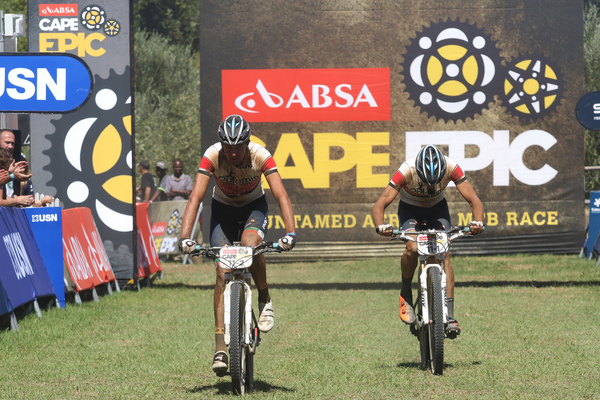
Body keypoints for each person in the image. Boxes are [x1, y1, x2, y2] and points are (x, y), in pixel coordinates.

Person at [178, 114, 297, 374]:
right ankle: (220, 347)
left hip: (253, 207)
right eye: (228, 147)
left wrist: (290, 232)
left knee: (250, 244)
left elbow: (280, 194)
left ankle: (264, 298)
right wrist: (185, 236)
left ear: (247, 143)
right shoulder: (212, 155)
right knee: (222, 270)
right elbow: (195, 198)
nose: (232, 152)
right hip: (222, 210)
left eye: (238, 146)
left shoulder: (260, 154)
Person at [372, 144, 484, 339]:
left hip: (437, 209)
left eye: (436, 182)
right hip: (410, 209)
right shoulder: (406, 170)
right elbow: (380, 203)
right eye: (427, 182)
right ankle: (405, 293)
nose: (431, 186)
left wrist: (478, 222)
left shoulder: (451, 167)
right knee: (413, 248)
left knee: (444, 252)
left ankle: (449, 316)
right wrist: (381, 226)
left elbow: (474, 199)